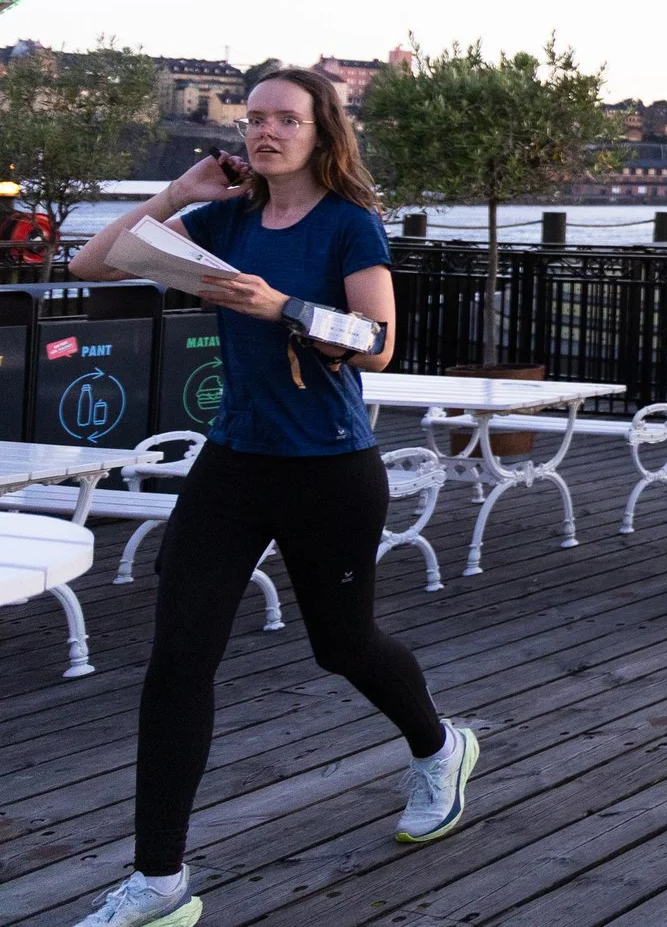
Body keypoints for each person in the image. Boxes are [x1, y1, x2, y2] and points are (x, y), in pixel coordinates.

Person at [63, 68, 474, 927]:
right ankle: (159, 881)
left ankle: (440, 746)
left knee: (343, 644)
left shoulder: (348, 224)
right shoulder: (225, 219)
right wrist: (179, 192)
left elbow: (379, 343)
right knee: (178, 659)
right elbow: (90, 261)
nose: (265, 131)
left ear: (323, 131)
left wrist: (279, 303)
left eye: (286, 118)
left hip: (328, 466)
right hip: (234, 462)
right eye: (253, 119)